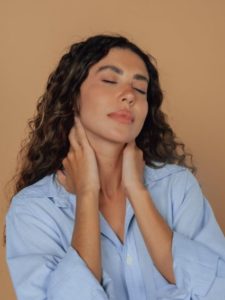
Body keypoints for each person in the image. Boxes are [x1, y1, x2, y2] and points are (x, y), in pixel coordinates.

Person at [5, 34, 225, 300]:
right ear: (73, 95)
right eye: (110, 81)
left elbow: (217, 290)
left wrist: (138, 192)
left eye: (141, 90)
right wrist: (87, 194)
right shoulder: (34, 208)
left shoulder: (177, 186)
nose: (129, 95)